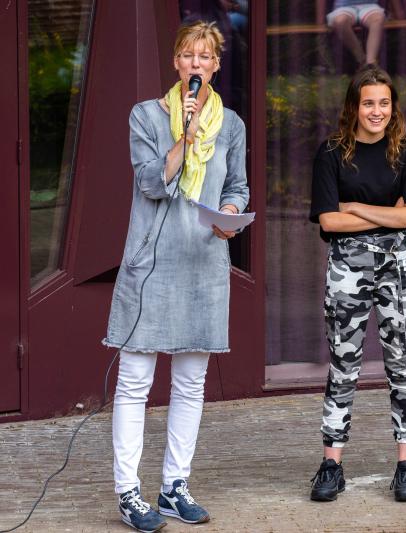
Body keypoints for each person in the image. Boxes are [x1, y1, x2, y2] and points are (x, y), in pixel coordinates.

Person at [103, 20, 249, 532]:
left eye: (205, 56)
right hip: (152, 264)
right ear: (176, 62)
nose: (196, 63)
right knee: (135, 382)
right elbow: (150, 182)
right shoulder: (146, 115)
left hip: (204, 262)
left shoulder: (231, 125)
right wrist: (183, 136)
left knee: (190, 385)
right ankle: (128, 492)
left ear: (215, 67)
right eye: (188, 54)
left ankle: (173, 487)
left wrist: (231, 211)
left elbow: (238, 184)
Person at [308, 64, 406, 503]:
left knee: (402, 363)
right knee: (343, 364)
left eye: (383, 103)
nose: (376, 111)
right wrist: (387, 212)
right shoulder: (331, 152)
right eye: (368, 104)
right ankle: (331, 465)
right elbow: (327, 219)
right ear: (354, 107)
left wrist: (356, 207)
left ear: (392, 106)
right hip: (347, 270)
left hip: (398, 270)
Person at [326, 0, 386, 67]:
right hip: (342, 6)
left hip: (370, 5)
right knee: (340, 22)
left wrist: (399, 14)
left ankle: (371, 64)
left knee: (378, 19)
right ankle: (362, 60)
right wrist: (320, 20)